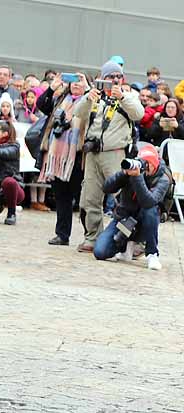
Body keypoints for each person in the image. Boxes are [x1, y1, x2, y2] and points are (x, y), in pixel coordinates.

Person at [72, 60, 144, 253]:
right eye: (110, 77)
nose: (114, 80)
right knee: (90, 198)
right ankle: (92, 237)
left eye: (117, 76)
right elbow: (77, 113)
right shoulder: (95, 96)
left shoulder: (128, 96)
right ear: (102, 79)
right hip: (93, 154)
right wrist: (88, 98)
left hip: (116, 153)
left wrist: (122, 97)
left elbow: (139, 114)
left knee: (124, 199)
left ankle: (132, 240)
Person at [93, 146, 171, 270]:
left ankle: (152, 254)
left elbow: (148, 202)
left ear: (155, 163)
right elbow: (107, 188)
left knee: (150, 209)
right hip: (125, 217)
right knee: (100, 252)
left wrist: (137, 177)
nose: (145, 166)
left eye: (148, 163)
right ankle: (125, 247)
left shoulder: (163, 177)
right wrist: (123, 173)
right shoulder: (132, 170)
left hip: (146, 221)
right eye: (143, 162)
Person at [38, 74, 88, 246]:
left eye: (80, 82)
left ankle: (90, 236)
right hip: (56, 156)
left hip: (78, 156)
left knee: (83, 199)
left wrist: (88, 89)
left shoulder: (90, 101)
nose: (76, 85)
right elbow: (41, 105)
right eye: (73, 81)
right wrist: (53, 87)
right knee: (61, 196)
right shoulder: (60, 98)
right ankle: (62, 234)